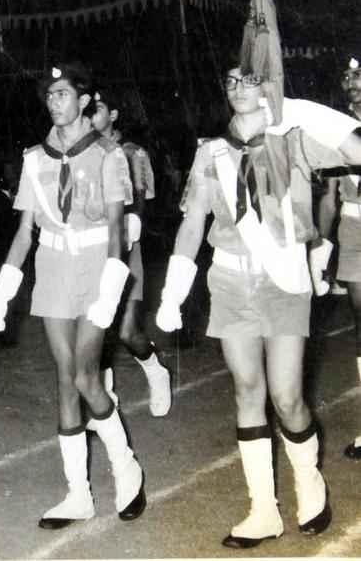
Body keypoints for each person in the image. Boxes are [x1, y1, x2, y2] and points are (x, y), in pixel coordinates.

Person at [154, 66, 361, 548]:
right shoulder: (211, 151)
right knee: (247, 390)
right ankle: (263, 509)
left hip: (283, 279)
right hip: (229, 281)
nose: (237, 88)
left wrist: (305, 110)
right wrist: (173, 291)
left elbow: (356, 150)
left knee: (287, 397)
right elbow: (193, 222)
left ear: (267, 87)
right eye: (230, 82)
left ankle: (309, 481)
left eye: (248, 79)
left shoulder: (294, 139)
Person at [0, 63, 145, 529]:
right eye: (49, 95)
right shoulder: (35, 159)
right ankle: (78, 494)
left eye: (62, 94)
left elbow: (116, 231)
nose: (54, 102)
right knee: (65, 379)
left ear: (84, 100)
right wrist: (1, 294)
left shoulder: (109, 155)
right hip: (52, 268)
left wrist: (110, 289)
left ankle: (126, 467)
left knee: (86, 377)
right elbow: (23, 232)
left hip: (96, 268)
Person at [89, 92, 171, 417]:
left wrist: (134, 219)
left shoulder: (132, 152)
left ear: (113, 114)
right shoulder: (84, 152)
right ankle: (105, 399)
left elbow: (139, 194)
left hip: (124, 247)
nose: (90, 115)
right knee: (95, 329)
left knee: (126, 332)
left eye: (97, 109)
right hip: (90, 247)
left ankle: (156, 371)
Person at [316, 55, 361, 461]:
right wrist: (320, 245)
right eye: (347, 76)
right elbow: (329, 197)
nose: (352, 81)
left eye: (359, 74)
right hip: (354, 228)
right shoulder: (335, 131)